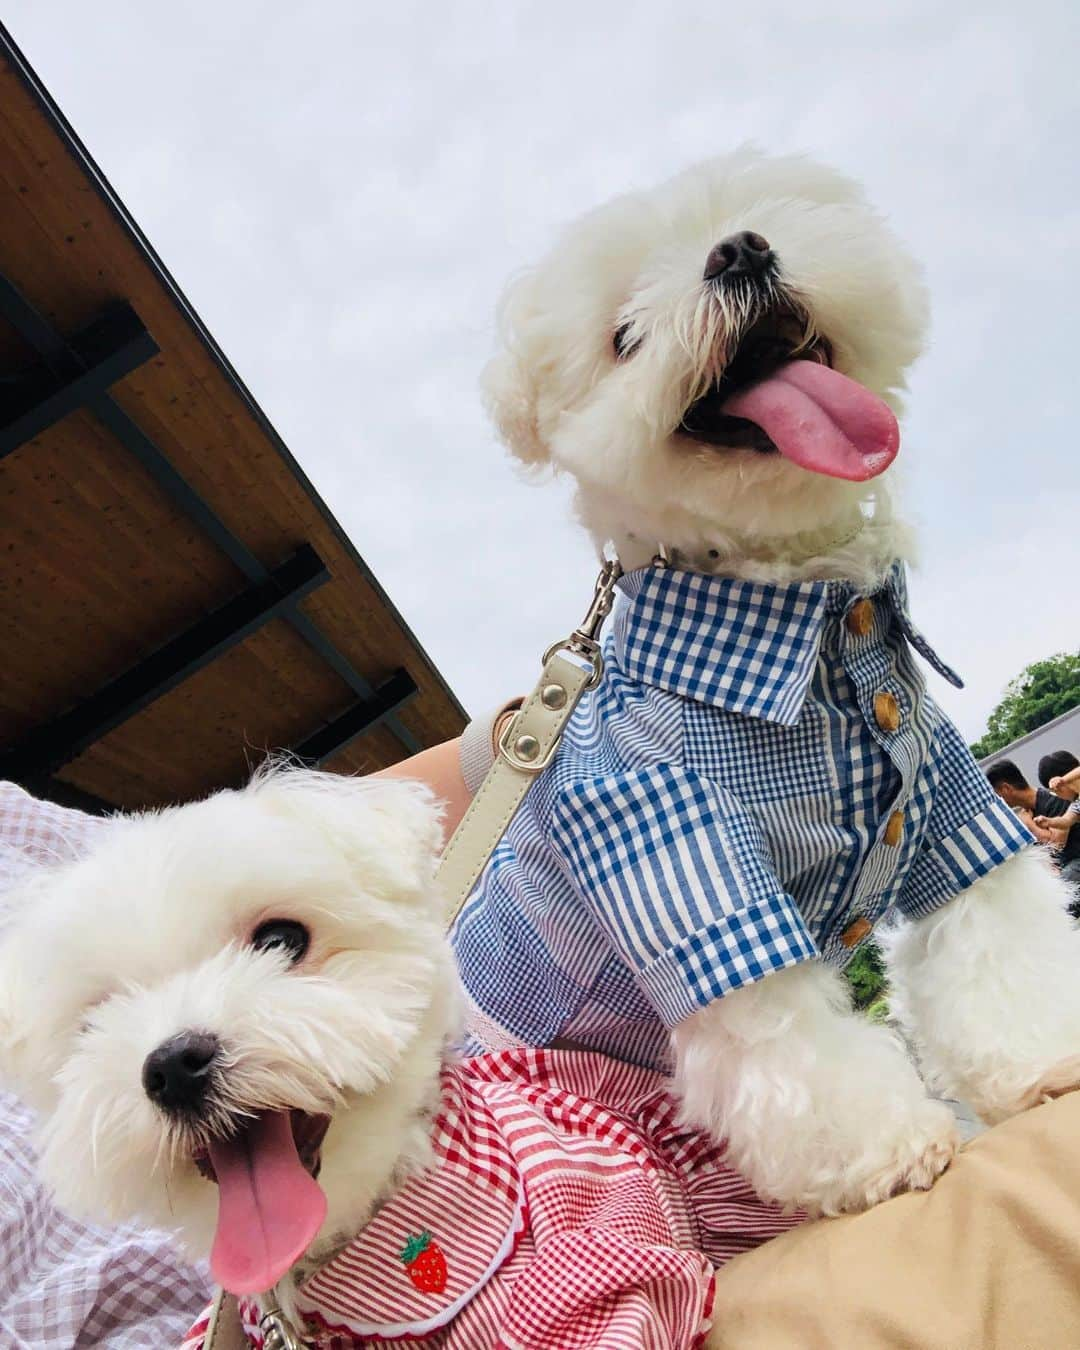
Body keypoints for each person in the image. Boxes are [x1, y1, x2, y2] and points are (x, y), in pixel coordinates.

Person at [985, 758, 1070, 842]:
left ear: (1006, 788)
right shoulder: (1027, 811)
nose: (997, 800)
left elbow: (1056, 844)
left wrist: (1029, 824)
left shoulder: (1052, 801)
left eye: (996, 794)